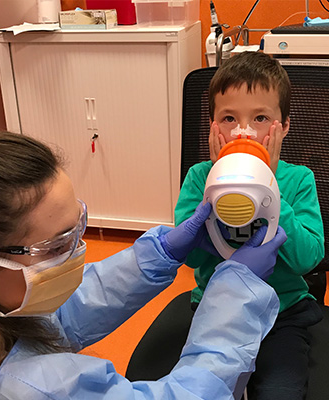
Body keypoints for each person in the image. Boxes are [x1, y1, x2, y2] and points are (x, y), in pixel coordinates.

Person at [0, 131, 287, 400]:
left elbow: (62, 320)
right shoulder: (38, 389)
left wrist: (160, 253)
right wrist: (236, 294)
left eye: (78, 226)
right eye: (56, 244)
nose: (79, 250)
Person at [126, 52, 324, 399]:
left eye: (260, 118)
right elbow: (191, 259)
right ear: (213, 127)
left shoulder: (298, 179)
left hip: (284, 311)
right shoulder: (200, 177)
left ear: (285, 126)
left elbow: (308, 259)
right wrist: (216, 190)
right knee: (204, 388)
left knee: (281, 390)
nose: (242, 131)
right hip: (215, 307)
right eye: (229, 118)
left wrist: (270, 186)